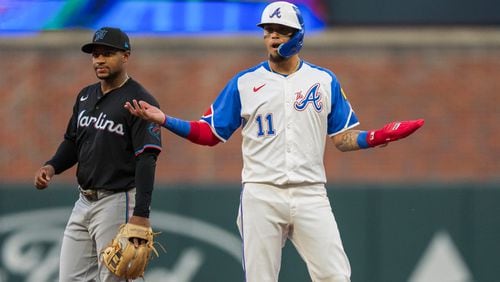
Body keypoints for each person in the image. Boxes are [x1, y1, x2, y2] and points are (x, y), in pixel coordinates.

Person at [125, 2, 424, 281]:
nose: (273, 37)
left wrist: (376, 137)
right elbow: (209, 134)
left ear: (298, 36)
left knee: (336, 276)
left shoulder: (323, 80)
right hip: (261, 193)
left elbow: (342, 138)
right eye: (268, 31)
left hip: (310, 193)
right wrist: (165, 119)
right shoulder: (244, 82)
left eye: (281, 31)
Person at [34, 27, 162, 281]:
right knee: (69, 278)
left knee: (113, 278)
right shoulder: (85, 95)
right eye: (95, 54)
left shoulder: (139, 100)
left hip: (116, 201)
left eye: (108, 53)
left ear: (125, 56)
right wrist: (52, 166)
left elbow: (147, 158)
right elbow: (73, 141)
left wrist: (141, 214)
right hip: (83, 201)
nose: (99, 60)